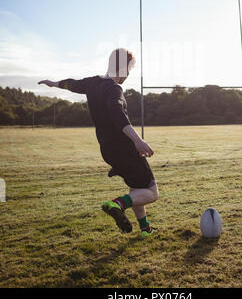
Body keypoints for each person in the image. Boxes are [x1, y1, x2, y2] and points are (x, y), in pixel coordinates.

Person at [38, 48, 158, 238]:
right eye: (129, 69)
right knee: (151, 191)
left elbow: (72, 84)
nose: (129, 74)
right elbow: (117, 114)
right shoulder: (113, 88)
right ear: (122, 68)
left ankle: (145, 230)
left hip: (107, 149)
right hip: (124, 147)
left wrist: (53, 83)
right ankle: (117, 205)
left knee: (137, 188)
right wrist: (138, 140)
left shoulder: (92, 83)